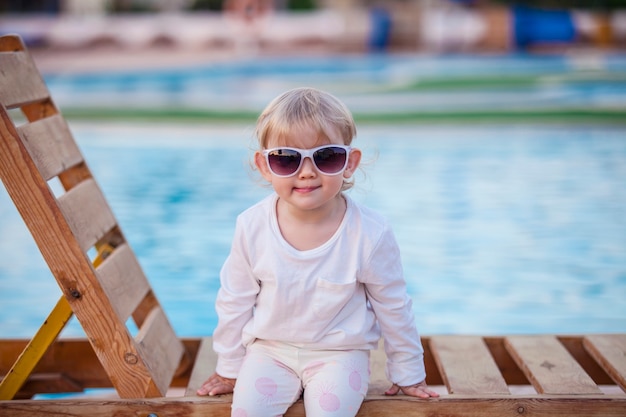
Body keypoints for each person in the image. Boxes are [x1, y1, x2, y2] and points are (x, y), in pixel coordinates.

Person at [197, 87, 438, 416]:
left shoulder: (370, 233)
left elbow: (393, 305)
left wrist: (408, 372)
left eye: (326, 157)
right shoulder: (252, 226)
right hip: (270, 352)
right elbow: (234, 300)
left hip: (340, 354)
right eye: (286, 158)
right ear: (264, 165)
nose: (307, 171)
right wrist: (229, 365)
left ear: (350, 163)